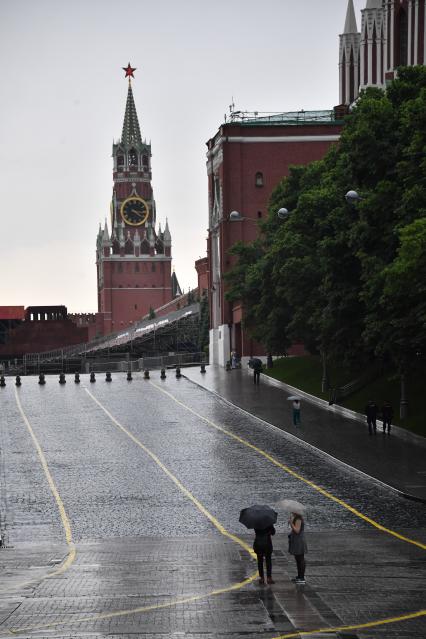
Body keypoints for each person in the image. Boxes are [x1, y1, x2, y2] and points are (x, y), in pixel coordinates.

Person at [288, 512, 307, 584]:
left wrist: (291, 523)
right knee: (298, 558)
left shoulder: (298, 519)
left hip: (299, 541)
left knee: (300, 559)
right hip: (296, 540)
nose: (291, 511)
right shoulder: (296, 518)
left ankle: (301, 578)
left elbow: (297, 530)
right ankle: (299, 576)